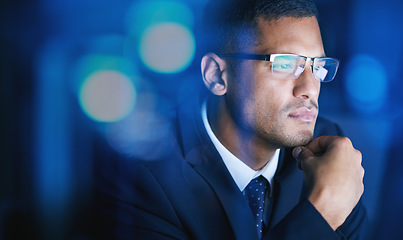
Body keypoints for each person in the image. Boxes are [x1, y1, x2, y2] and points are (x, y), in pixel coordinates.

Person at [94, 0, 367, 239]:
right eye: (285, 64)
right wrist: (320, 212)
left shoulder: (328, 149)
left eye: (317, 66)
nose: (309, 88)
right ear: (216, 75)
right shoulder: (142, 174)